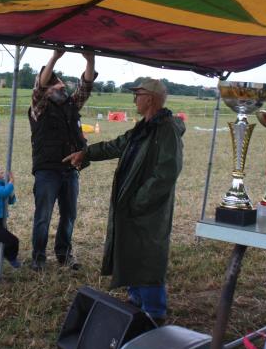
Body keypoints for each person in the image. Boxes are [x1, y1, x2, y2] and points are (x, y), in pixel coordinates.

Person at [63, 79, 185, 325]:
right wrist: (86, 154)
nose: (134, 99)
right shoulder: (145, 126)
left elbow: (166, 173)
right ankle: (136, 301)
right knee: (131, 250)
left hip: (148, 208)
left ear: (150, 98)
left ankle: (154, 311)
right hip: (132, 204)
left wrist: (140, 201)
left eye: (138, 94)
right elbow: (118, 144)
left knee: (148, 255)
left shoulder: (167, 129)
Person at [29, 50, 96, 271]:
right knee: (43, 217)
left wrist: (90, 60)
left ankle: (64, 254)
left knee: (69, 215)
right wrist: (55, 57)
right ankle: (38, 258)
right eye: (57, 86)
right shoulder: (39, 107)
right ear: (47, 90)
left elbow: (85, 86)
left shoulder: (70, 105)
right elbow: (40, 85)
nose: (62, 88)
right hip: (47, 171)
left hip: (69, 170)